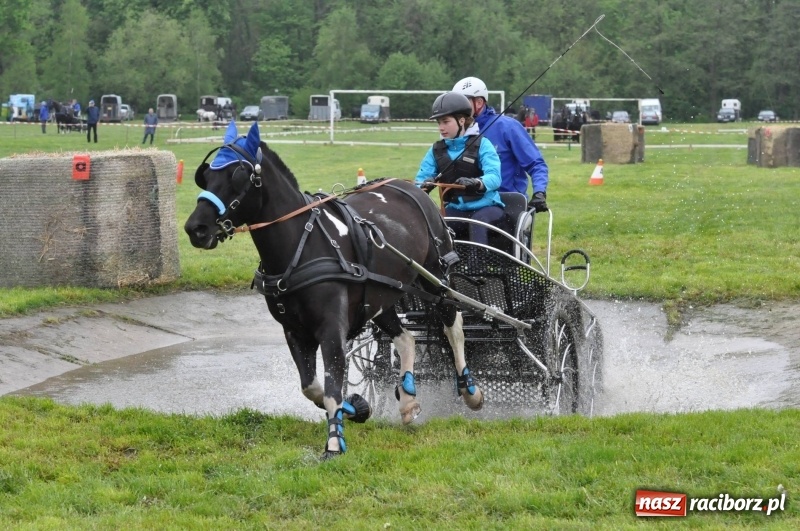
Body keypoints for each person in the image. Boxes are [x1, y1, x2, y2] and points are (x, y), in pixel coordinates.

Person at [415, 92, 504, 246]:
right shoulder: (436, 150)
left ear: (461, 120)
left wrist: (476, 183)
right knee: (437, 224)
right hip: (455, 208)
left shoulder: (483, 144)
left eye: (445, 121)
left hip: (487, 207)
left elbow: (495, 177)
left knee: (478, 223)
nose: (441, 128)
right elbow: (420, 179)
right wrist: (423, 185)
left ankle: (477, 267)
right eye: (438, 123)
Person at [452, 76, 550, 213]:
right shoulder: (454, 130)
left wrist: (539, 192)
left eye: (461, 102)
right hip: (465, 202)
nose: (455, 108)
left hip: (506, 203)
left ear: (479, 102)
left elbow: (536, 164)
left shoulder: (508, 127)